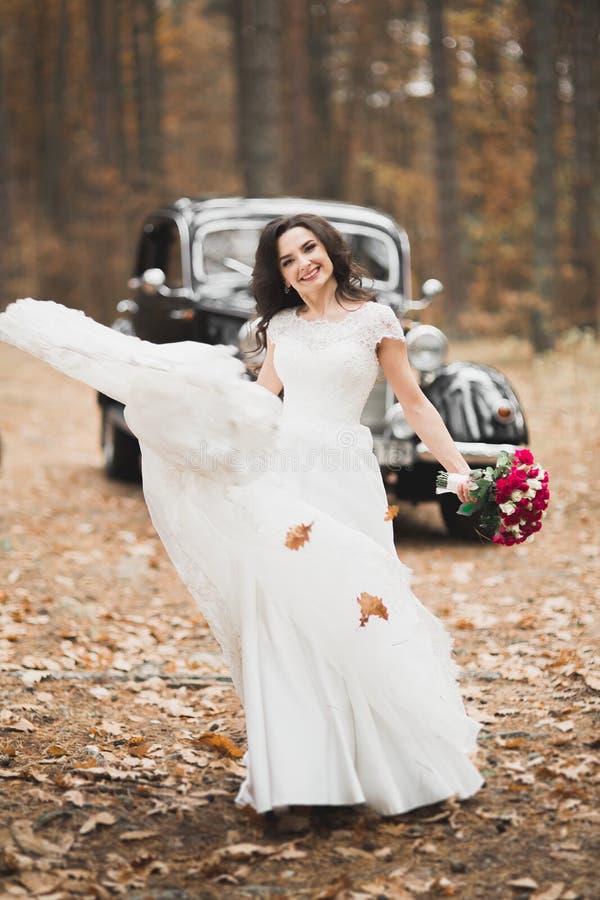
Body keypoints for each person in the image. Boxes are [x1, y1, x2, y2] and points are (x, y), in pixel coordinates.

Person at [0, 213, 483, 818]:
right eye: (287, 259)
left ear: (330, 251)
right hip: (282, 471)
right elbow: (259, 404)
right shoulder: (281, 325)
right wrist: (192, 431)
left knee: (355, 610)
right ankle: (302, 782)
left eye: (310, 249)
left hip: (344, 474)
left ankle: (393, 767)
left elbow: (413, 401)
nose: (304, 263)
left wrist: (457, 468)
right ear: (278, 274)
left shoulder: (377, 320)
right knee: (281, 612)